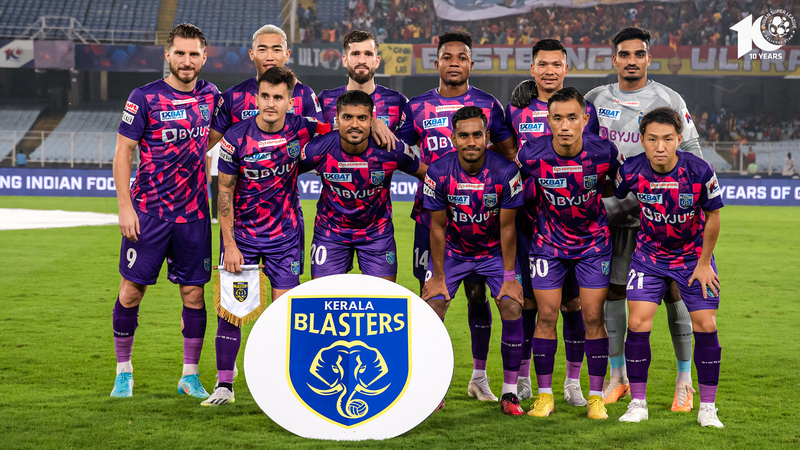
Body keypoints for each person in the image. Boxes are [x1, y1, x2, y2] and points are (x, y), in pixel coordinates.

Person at [584, 27, 702, 409]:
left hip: (660, 216)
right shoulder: (595, 99)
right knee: (614, 292)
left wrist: (687, 199)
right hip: (612, 214)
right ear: (614, 59)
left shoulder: (668, 98)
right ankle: (618, 377)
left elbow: (692, 149)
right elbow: (574, 139)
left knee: (673, 293)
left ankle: (685, 381)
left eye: (639, 54)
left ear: (649, 58)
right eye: (624, 54)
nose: (632, 60)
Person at [396, 31, 517, 403]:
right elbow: (397, 150)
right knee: (431, 295)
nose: (454, 63)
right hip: (433, 216)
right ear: (436, 63)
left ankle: (480, 378)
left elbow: (508, 152)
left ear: (470, 64)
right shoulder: (417, 106)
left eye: (461, 57)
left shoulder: (488, 104)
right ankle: (427, 384)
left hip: (483, 216)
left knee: (479, 296)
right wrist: (432, 175)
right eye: (447, 57)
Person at [110, 23, 219, 399]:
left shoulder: (212, 96)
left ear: (204, 57)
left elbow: (219, 134)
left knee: (194, 295)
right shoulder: (144, 97)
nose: (187, 61)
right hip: (149, 213)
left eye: (194, 54)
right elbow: (123, 153)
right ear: (168, 54)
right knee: (131, 292)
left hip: (194, 215)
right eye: (180, 53)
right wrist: (125, 207)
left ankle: (189, 376)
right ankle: (123, 372)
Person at [204, 67, 322, 406]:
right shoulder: (235, 137)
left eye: (278, 97)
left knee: (286, 313)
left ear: (290, 101)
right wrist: (229, 245)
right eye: (265, 96)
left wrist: (376, 125)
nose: (271, 103)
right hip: (242, 236)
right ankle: (224, 385)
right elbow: (224, 192)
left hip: (285, 236)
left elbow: (345, 128)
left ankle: (283, 383)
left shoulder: (303, 128)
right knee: (231, 310)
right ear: (257, 98)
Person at [514, 87, 622, 420]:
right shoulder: (531, 153)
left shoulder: (604, 151)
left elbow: (618, 185)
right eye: (558, 118)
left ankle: (595, 398)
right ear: (548, 120)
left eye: (572, 118)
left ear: (585, 120)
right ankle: (545, 396)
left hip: (593, 246)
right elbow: (511, 186)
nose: (565, 125)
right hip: (548, 245)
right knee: (546, 317)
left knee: (593, 318)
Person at [614, 107, 724, 428]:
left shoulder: (699, 170)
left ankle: (708, 408)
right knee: (637, 323)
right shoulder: (631, 169)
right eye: (652, 139)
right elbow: (612, 191)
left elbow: (714, 216)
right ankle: (638, 404)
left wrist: (704, 263)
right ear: (642, 140)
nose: (660, 147)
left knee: (706, 325)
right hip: (648, 257)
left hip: (692, 258)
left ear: (679, 139)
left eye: (667, 139)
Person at [506, 38, 600, 405]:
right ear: (532, 69)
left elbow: (593, 159)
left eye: (556, 64)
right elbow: (505, 152)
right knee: (529, 304)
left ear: (565, 69)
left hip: (573, 224)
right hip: (529, 222)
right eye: (542, 64)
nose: (549, 71)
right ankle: (524, 378)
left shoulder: (583, 109)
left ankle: (573, 382)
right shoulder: (516, 110)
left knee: (573, 305)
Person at [422, 106, 525, 415]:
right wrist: (438, 277)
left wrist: (509, 277)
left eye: (477, 135)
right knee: (431, 307)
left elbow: (508, 227)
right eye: (464, 135)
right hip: (454, 252)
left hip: (493, 253)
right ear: (453, 138)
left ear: (486, 136)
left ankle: (509, 393)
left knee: (512, 305)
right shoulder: (438, 171)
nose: (471, 142)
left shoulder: (506, 171)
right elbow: (437, 226)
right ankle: (432, 391)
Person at [299, 90, 427, 281]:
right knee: (324, 296)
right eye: (347, 117)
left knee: (383, 298)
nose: (355, 124)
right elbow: (286, 175)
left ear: (371, 120)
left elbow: (429, 176)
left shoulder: (392, 148)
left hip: (377, 234)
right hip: (330, 233)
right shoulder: (317, 149)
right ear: (337, 119)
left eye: (362, 118)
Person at [208, 24, 324, 150]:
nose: (269, 57)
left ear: (287, 54)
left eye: (276, 50)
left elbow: (321, 143)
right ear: (252, 54)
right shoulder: (233, 97)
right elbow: (203, 147)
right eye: (262, 50)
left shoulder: (304, 94)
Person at [318, 30, 405, 149]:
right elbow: (308, 135)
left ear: (377, 61)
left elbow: (413, 144)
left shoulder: (398, 101)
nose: (362, 60)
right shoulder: (324, 99)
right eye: (355, 54)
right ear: (345, 60)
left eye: (368, 54)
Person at [205, 142, 220, 223]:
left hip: (224, 174)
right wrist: (209, 174)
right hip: (214, 174)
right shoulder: (213, 145)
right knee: (214, 196)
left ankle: (224, 217)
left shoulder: (226, 145)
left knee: (225, 197)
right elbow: (208, 160)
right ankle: (214, 217)